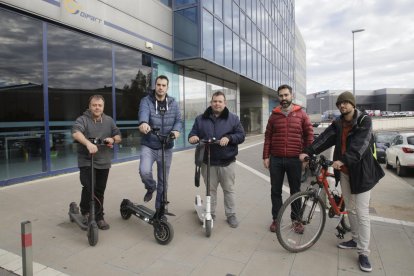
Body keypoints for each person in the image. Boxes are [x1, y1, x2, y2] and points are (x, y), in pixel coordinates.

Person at [299, 91, 384, 272]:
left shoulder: (364, 121)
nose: (342, 106)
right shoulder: (338, 123)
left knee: (361, 213)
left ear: (353, 104)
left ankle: (363, 252)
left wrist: (344, 159)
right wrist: (308, 151)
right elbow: (324, 138)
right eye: (340, 103)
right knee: (350, 209)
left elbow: (360, 145)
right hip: (344, 173)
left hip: (361, 173)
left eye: (346, 103)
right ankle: (354, 238)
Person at [188, 91, 245, 228]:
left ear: (225, 103)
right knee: (210, 191)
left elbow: (241, 135)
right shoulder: (200, 119)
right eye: (215, 101)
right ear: (211, 102)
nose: (217, 104)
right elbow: (192, 134)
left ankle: (231, 215)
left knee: (228, 190)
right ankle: (210, 213)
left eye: (220, 101)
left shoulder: (233, 119)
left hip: (227, 162)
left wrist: (230, 138)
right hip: (208, 163)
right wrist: (193, 138)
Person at [263, 84, 314, 233]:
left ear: (291, 96)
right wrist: (266, 156)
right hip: (276, 160)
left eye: (286, 95)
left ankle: (297, 220)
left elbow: (309, 135)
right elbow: (268, 137)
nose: (283, 98)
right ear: (278, 97)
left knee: (296, 191)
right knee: (275, 191)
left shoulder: (301, 114)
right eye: (281, 95)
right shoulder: (274, 116)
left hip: (294, 160)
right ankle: (276, 220)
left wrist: (306, 154)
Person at [72, 94, 121, 230]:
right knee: (89, 187)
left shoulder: (108, 120)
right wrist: (88, 144)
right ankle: (86, 211)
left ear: (103, 107)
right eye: (94, 105)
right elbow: (76, 133)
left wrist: (112, 139)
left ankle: (99, 216)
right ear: (90, 106)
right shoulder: (83, 119)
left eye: (100, 105)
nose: (97, 107)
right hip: (87, 160)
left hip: (104, 161)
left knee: (100, 190)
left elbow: (118, 135)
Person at [138, 75, 182, 210]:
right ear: (155, 86)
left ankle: (160, 209)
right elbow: (143, 114)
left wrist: (175, 131)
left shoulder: (173, 103)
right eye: (158, 85)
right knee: (144, 171)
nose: (161, 87)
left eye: (163, 85)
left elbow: (178, 121)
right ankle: (151, 187)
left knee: (164, 180)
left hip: (166, 146)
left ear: (167, 87)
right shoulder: (146, 101)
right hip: (149, 144)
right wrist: (144, 123)